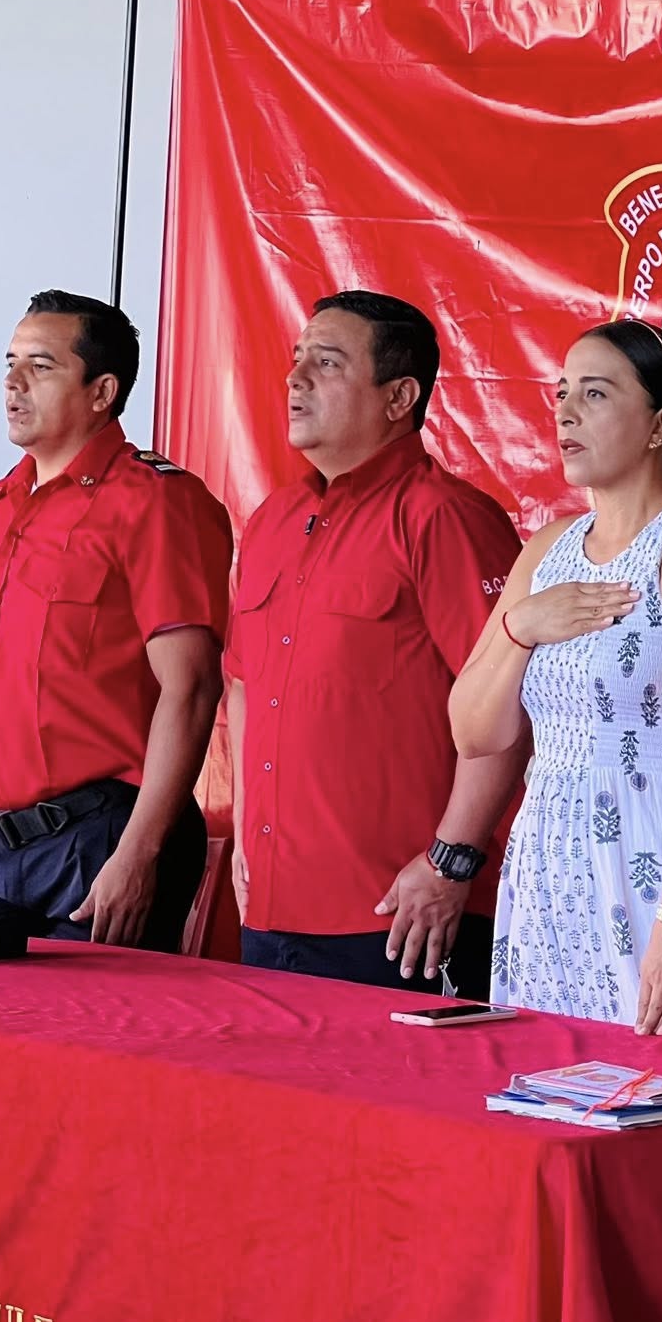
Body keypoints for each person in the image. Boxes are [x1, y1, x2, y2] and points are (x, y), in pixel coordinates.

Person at [451, 320, 662, 1041]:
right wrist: (519, 628)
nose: (566, 413)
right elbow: (474, 733)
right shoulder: (547, 549)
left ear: (661, 424)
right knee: (548, 1080)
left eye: (596, 394)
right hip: (552, 866)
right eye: (562, 393)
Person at [0, 291, 230, 951]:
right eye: (10, 363)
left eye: (41, 366)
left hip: (101, 839)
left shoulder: (155, 502)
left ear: (101, 391)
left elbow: (192, 688)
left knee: (99, 1019)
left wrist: (139, 853)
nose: (13, 382)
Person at [228, 291, 524, 995]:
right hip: (271, 903)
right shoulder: (272, 519)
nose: (296, 378)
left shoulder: (445, 518)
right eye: (297, 359)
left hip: (402, 913)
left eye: (327, 364)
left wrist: (452, 861)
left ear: (399, 397)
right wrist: (244, 835)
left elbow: (510, 707)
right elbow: (242, 684)